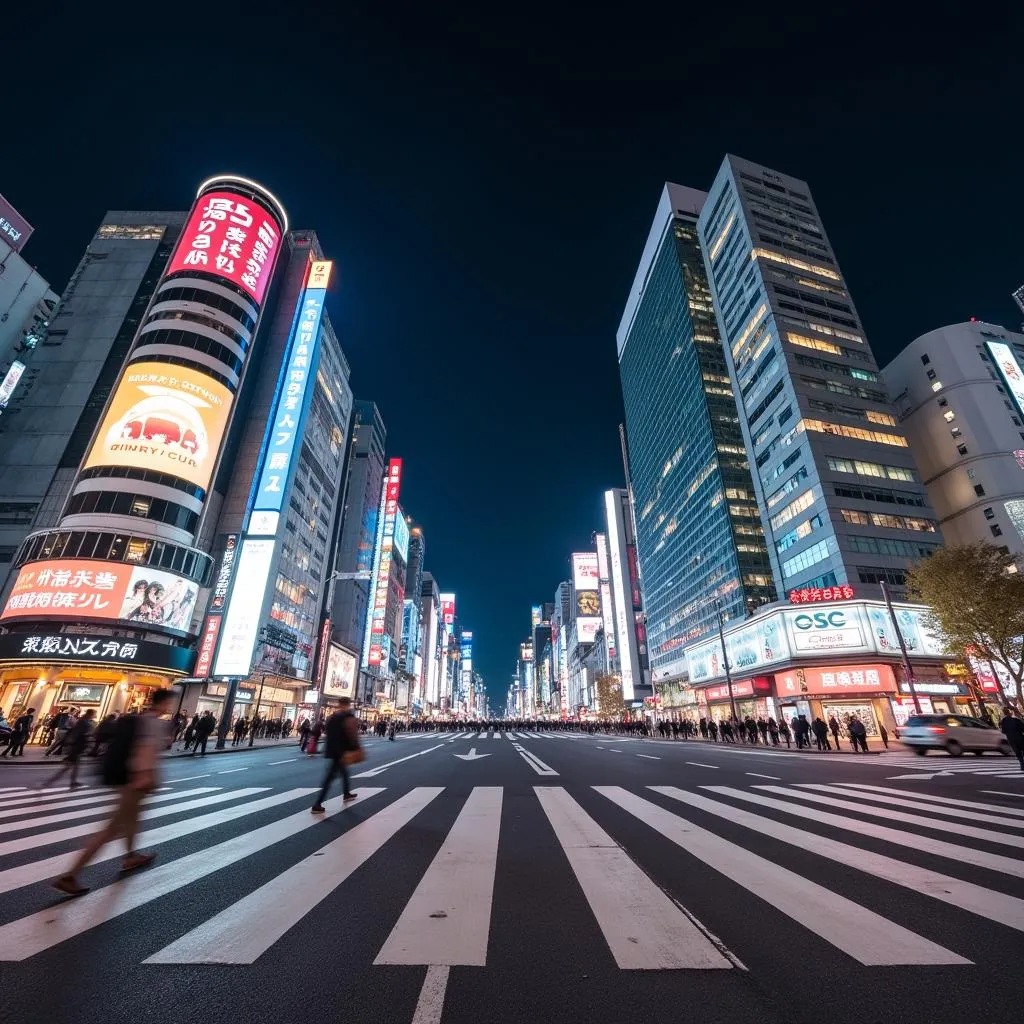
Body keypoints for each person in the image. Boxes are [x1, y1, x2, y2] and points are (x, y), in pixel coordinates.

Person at [53, 689, 174, 896]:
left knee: (131, 821)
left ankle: (130, 855)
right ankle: (70, 875)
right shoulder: (153, 722)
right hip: (136, 781)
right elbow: (145, 750)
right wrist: (144, 777)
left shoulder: (140, 718)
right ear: (163, 703)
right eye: (169, 703)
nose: (170, 706)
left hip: (129, 778)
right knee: (111, 828)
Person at [311, 697, 361, 813]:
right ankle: (317, 804)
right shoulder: (343, 717)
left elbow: (329, 733)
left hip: (334, 751)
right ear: (347, 705)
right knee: (329, 779)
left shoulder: (332, 717)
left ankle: (346, 794)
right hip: (339, 752)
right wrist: (351, 749)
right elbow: (348, 735)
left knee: (344, 773)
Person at [36, 709, 95, 789]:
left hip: (77, 747)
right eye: (94, 714)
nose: (94, 715)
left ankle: (72, 782)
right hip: (76, 747)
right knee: (66, 768)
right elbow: (78, 734)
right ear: (90, 714)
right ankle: (46, 783)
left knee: (74, 767)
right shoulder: (83, 722)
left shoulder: (83, 721)